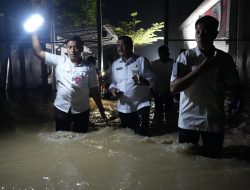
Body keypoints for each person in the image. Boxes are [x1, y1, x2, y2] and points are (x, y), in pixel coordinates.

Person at [170, 15, 241, 158]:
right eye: (198, 32)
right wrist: (198, 70)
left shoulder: (225, 59)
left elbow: (234, 85)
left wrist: (236, 104)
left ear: (215, 34)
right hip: (189, 120)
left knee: (214, 164)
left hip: (215, 120)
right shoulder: (185, 57)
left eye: (205, 32)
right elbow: (173, 88)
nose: (200, 36)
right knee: (186, 165)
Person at [31, 33, 107, 133]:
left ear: (81, 49)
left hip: (82, 109)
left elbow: (94, 90)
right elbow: (38, 52)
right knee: (61, 138)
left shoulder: (89, 67)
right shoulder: (60, 60)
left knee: (81, 138)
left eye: (75, 47)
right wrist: (34, 32)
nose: (72, 50)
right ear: (67, 49)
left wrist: (101, 110)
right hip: (62, 108)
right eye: (69, 47)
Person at [109, 36, 156, 136]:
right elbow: (113, 82)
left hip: (141, 105)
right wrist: (112, 89)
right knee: (128, 137)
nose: (120, 48)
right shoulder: (115, 64)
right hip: (123, 107)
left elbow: (152, 79)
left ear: (130, 46)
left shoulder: (141, 61)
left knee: (142, 136)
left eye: (123, 45)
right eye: (118, 46)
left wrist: (144, 81)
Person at [151, 45, 174, 126]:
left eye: (164, 54)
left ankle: (169, 127)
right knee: (158, 111)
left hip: (169, 92)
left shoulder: (173, 63)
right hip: (157, 92)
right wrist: (153, 91)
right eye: (160, 55)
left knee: (169, 111)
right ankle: (159, 126)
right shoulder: (154, 64)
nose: (162, 56)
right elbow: (151, 78)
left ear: (168, 54)